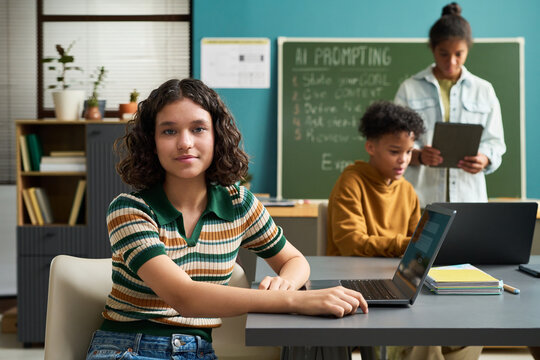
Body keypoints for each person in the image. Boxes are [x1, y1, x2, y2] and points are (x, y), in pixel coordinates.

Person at [85, 78, 367, 360]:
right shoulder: (130, 210)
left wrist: (286, 285)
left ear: (216, 135)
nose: (185, 143)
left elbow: (295, 261)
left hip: (198, 351)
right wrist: (294, 300)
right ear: (152, 142)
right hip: (129, 348)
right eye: (169, 131)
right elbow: (184, 297)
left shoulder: (238, 204)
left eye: (198, 129)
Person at [394, 2, 506, 208]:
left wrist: (485, 159)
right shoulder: (410, 88)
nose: (451, 62)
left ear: (467, 50)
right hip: (420, 201)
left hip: (469, 200)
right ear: (433, 49)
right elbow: (395, 140)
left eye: (459, 54)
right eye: (444, 54)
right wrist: (418, 155)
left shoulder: (484, 90)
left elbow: (496, 143)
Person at [326, 100, 424, 258]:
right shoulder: (352, 182)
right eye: (394, 152)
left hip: (392, 274)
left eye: (409, 152)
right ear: (370, 147)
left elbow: (419, 244)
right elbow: (351, 244)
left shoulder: (407, 190)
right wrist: (407, 245)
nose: (403, 160)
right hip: (350, 274)